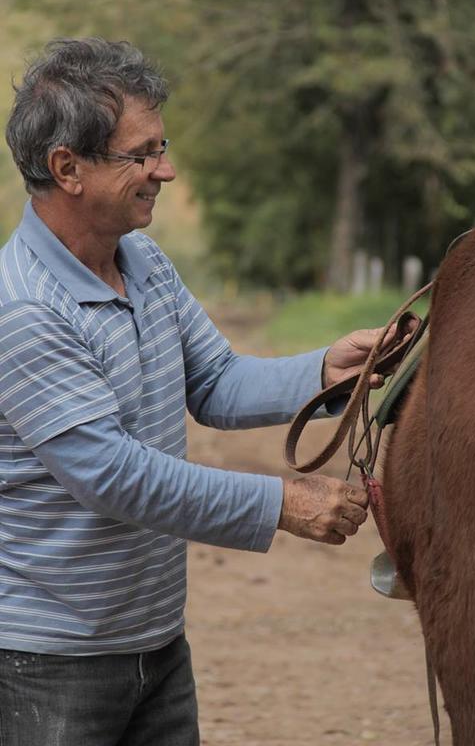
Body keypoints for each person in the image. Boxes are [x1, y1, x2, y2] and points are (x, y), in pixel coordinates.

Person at [0, 37, 389, 745]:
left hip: (156, 644)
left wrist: (326, 371)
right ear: (68, 168)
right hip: (51, 664)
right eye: (142, 154)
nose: (166, 170)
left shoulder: (142, 260)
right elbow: (113, 475)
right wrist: (279, 503)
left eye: (162, 145)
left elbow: (214, 381)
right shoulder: (24, 309)